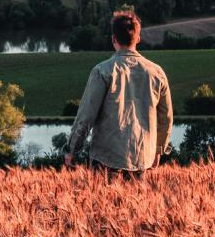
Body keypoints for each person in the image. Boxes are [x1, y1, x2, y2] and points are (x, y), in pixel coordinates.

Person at [64, 11, 173, 175]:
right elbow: (166, 118)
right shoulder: (157, 73)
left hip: (106, 159)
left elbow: (86, 116)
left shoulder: (102, 71)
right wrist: (158, 150)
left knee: (103, 202)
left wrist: (72, 149)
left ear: (113, 39)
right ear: (138, 38)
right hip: (142, 160)